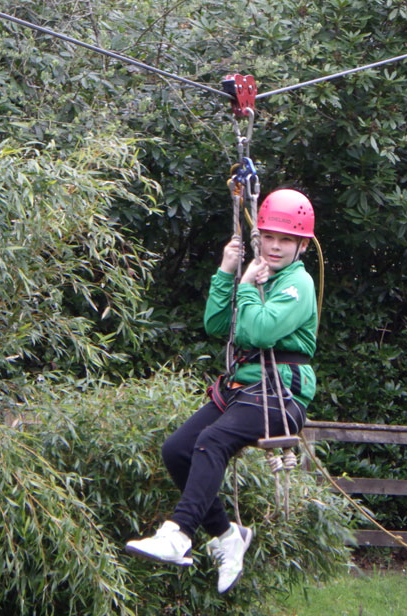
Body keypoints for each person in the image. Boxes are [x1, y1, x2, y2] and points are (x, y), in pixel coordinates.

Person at [125, 189, 318, 593]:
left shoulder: (297, 285)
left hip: (279, 395)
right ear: (258, 238)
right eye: (269, 237)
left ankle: (179, 533)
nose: (276, 246)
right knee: (178, 449)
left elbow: (259, 330)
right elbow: (217, 326)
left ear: (302, 245)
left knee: (212, 440)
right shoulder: (259, 276)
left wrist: (246, 284)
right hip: (243, 387)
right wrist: (227, 272)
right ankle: (228, 536)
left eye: (286, 240)